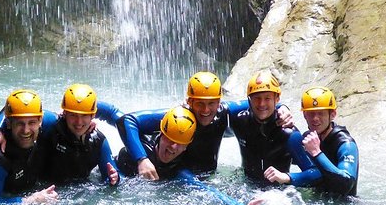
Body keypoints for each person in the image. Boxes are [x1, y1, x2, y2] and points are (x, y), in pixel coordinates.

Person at [117, 71, 294, 179]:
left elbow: (258, 104)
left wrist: (282, 107)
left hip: (207, 179)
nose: (206, 110)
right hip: (178, 176)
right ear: (189, 101)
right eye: (200, 103)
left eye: (211, 103)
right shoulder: (180, 116)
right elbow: (127, 120)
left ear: (219, 102)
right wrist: (142, 160)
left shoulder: (223, 112)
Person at [116, 106, 266, 205]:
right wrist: (140, 160)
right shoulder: (139, 146)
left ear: (186, 147)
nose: (173, 147)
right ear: (161, 134)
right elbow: (116, 116)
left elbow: (205, 189)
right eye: (169, 139)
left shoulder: (178, 169)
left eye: (180, 143)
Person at [0, 84, 124, 186]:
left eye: (84, 116)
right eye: (73, 115)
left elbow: (112, 176)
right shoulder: (53, 124)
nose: (79, 122)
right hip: (43, 187)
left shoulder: (99, 141)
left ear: (93, 116)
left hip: (78, 193)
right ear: (64, 113)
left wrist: (115, 179)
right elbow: (18, 108)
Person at [263, 86, 359, 196]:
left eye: (321, 113)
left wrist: (317, 153)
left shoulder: (346, 144)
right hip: (319, 202)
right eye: (311, 113)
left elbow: (346, 184)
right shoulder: (307, 138)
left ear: (332, 114)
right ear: (304, 115)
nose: (315, 118)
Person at [0, 89, 58, 205]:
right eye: (19, 123)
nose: (26, 130)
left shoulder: (48, 123)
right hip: (7, 197)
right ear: (8, 123)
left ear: (40, 121)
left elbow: (75, 118)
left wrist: (92, 123)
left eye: (32, 123)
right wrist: (28, 201)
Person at [230, 71, 316, 184]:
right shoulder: (240, 121)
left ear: (277, 99)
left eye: (267, 98)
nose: (262, 104)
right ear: (249, 100)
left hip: (277, 194)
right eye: (257, 98)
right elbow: (216, 112)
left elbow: (315, 172)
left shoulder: (289, 134)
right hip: (246, 186)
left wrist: (287, 177)